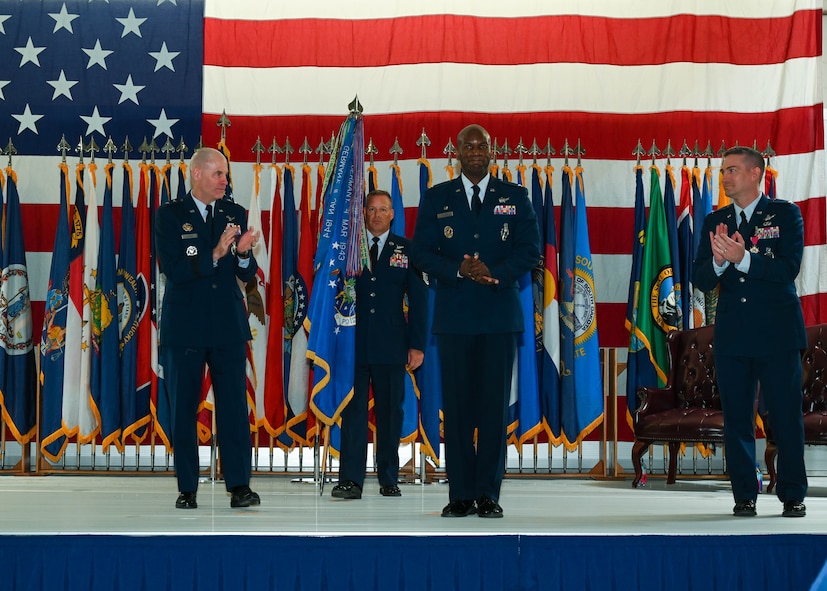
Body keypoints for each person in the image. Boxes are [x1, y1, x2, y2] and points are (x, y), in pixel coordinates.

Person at [411, 124, 541, 518]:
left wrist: (494, 271)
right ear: (457, 153)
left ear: (491, 151)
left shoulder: (515, 196)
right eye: (467, 147)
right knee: (458, 409)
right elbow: (420, 253)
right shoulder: (437, 197)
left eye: (481, 145)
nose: (474, 152)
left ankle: (487, 493)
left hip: (499, 318)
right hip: (454, 319)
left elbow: (530, 251)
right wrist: (458, 269)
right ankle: (460, 494)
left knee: (493, 410)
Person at [693, 145, 807, 518]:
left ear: (756, 173)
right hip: (734, 335)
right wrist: (718, 262)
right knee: (738, 420)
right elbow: (700, 278)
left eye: (733, 170)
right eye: (723, 171)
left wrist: (744, 259)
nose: (725, 177)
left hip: (777, 334)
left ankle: (792, 494)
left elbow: (787, 269)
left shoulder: (785, 214)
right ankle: (744, 494)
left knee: (785, 418)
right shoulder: (716, 220)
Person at [156, 147, 262, 509]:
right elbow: (174, 269)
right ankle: (187, 487)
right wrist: (216, 253)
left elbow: (245, 273)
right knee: (183, 409)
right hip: (185, 326)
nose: (224, 181)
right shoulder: (170, 215)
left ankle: (240, 486)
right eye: (218, 173)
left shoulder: (234, 213)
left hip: (227, 325)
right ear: (197, 174)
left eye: (226, 174)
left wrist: (243, 253)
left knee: (233, 408)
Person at [331, 190, 428, 500]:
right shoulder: (350, 248)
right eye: (371, 209)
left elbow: (420, 301)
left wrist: (417, 345)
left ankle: (388, 477)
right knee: (353, 412)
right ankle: (351, 480)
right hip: (353, 344)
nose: (376, 215)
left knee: (390, 413)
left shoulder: (407, 250)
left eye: (383, 209)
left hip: (391, 344)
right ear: (363, 213)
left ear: (392, 214)